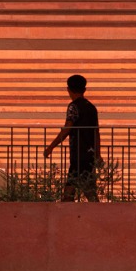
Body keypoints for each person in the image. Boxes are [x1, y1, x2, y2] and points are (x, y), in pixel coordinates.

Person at [43, 73, 101, 201]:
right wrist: (98, 154)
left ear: (68, 89)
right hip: (89, 155)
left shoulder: (73, 107)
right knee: (87, 189)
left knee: (70, 193)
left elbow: (67, 129)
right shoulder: (91, 108)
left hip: (78, 155)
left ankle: (98, 215)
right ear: (84, 90)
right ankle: (99, 213)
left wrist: (50, 147)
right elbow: (96, 132)